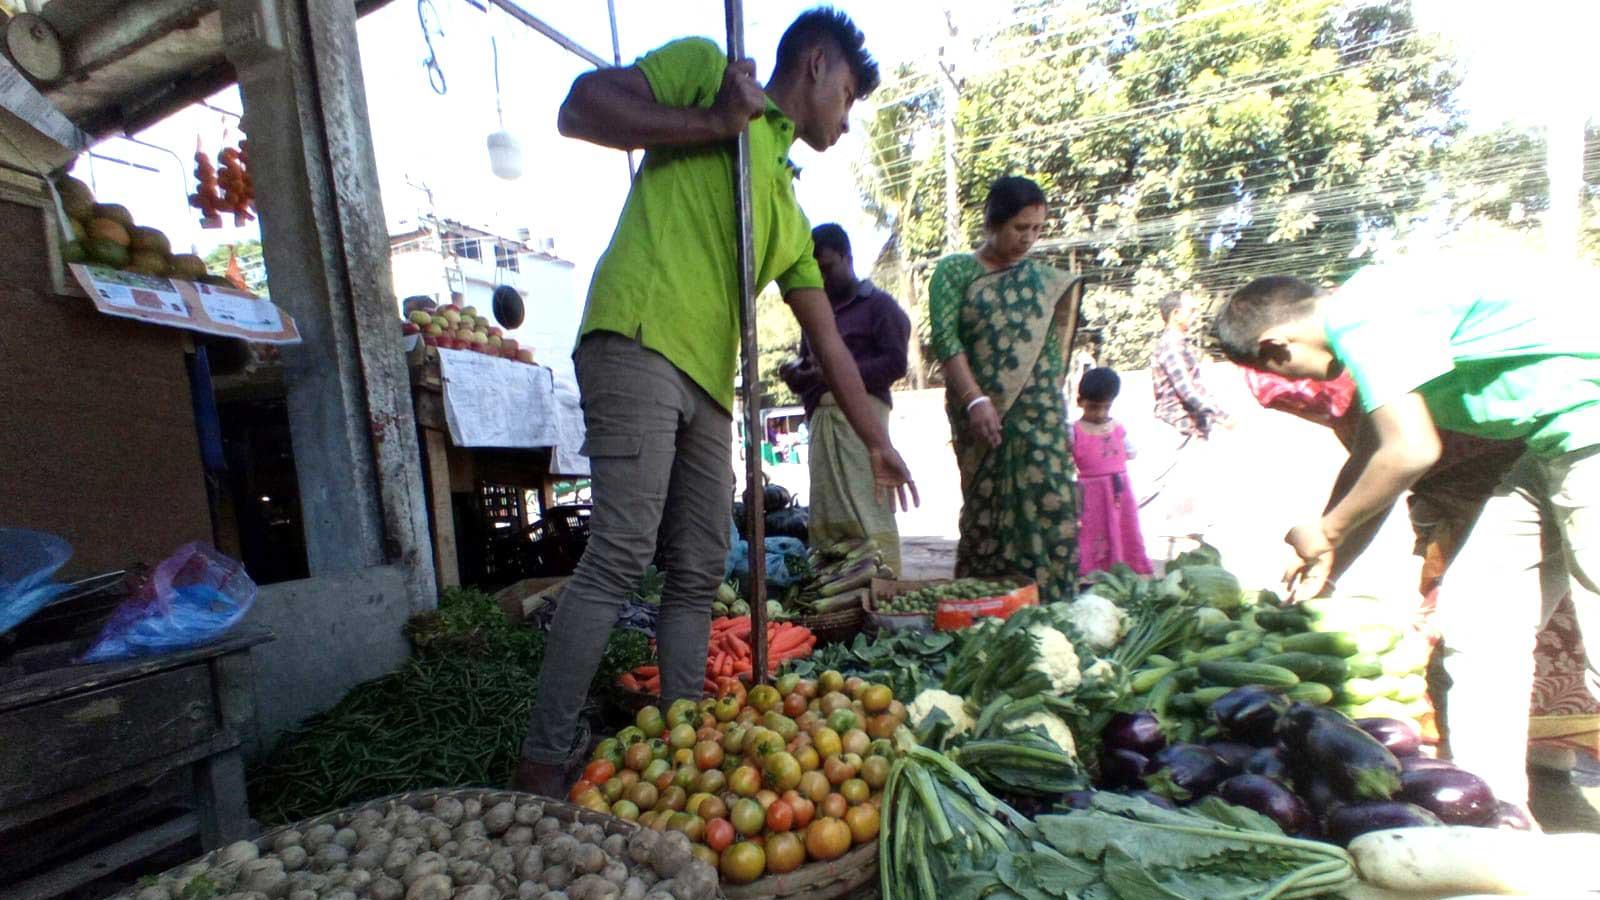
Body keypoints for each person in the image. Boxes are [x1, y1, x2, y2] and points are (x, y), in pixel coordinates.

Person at [514, 8, 917, 797]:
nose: (845, 118)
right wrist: (713, 121)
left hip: (708, 381)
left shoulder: (786, 207)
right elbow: (580, 107)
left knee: (698, 567)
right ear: (815, 66)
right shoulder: (708, 70)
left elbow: (830, 343)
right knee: (622, 553)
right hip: (636, 334)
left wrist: (876, 438)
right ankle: (542, 758)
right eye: (846, 95)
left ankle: (685, 738)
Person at [1213, 252, 1600, 823]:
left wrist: (1326, 530)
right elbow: (1377, 451)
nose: (1298, 384)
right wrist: (1331, 559)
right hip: (1547, 444)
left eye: (1285, 373)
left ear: (1277, 348)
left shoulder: (1364, 318)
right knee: (1479, 618)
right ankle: (1492, 813)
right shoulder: (1376, 305)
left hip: (1586, 428)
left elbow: (1412, 451)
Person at [928, 175, 1085, 603]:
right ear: (992, 222)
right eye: (1020, 228)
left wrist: (1052, 414)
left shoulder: (1042, 280)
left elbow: (1050, 357)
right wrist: (976, 399)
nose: (1028, 239)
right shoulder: (956, 271)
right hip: (980, 417)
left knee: (1051, 507)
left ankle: (1053, 605)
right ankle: (986, 609)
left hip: (1040, 421)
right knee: (987, 513)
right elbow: (946, 341)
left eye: (1036, 229)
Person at [780, 223, 912, 573]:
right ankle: (837, 590)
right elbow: (812, 366)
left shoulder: (880, 307)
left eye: (828, 268)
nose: (821, 279)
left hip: (862, 423)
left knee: (867, 506)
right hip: (822, 423)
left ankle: (884, 581)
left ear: (848, 258)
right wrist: (798, 375)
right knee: (830, 512)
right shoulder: (813, 314)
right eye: (815, 272)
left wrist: (838, 374)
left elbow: (896, 363)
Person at [1145, 291, 1232, 536]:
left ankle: (1182, 532)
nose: (1195, 315)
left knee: (1186, 486)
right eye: (1191, 311)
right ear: (1175, 314)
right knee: (1161, 486)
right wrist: (1220, 415)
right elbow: (1187, 389)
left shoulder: (1179, 343)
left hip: (1188, 425)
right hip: (1178, 425)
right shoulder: (1172, 345)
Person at [1071, 367, 1153, 578]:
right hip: (1091, 493)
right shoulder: (1074, 430)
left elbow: (1132, 451)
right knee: (1094, 530)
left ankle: (1126, 570)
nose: (1099, 414)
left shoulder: (1117, 427)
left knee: (1123, 527)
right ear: (1080, 402)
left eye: (1105, 408)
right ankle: (1094, 573)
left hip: (1119, 490)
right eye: (1093, 407)